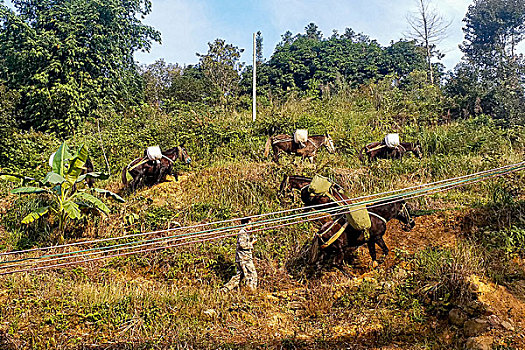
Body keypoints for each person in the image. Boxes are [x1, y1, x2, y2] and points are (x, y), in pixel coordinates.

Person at [222, 217, 258, 291]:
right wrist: (252, 243)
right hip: (244, 258)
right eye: (250, 224)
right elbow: (242, 245)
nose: (251, 226)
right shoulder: (242, 233)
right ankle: (251, 291)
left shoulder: (246, 233)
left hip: (243, 258)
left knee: (239, 276)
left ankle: (226, 289)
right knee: (251, 274)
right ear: (245, 224)